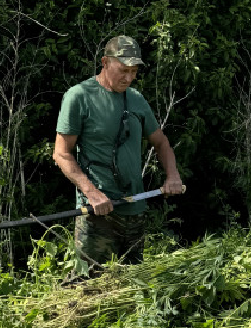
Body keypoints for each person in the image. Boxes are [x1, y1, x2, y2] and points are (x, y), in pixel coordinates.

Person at [53, 35, 183, 276]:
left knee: (133, 285)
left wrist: (172, 176)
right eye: (123, 70)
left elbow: (161, 142)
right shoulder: (79, 96)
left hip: (134, 209)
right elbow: (61, 153)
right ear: (104, 62)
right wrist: (91, 192)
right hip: (97, 214)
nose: (129, 78)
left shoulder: (136, 99)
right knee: (88, 286)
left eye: (134, 71)